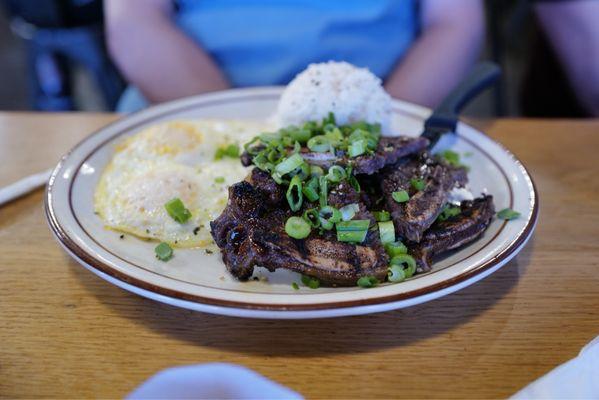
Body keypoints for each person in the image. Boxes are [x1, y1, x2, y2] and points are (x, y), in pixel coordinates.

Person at [105, 0, 484, 112]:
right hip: (190, 101)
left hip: (388, 98)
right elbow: (135, 20)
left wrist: (380, 124)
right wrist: (235, 127)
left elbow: (454, 22)